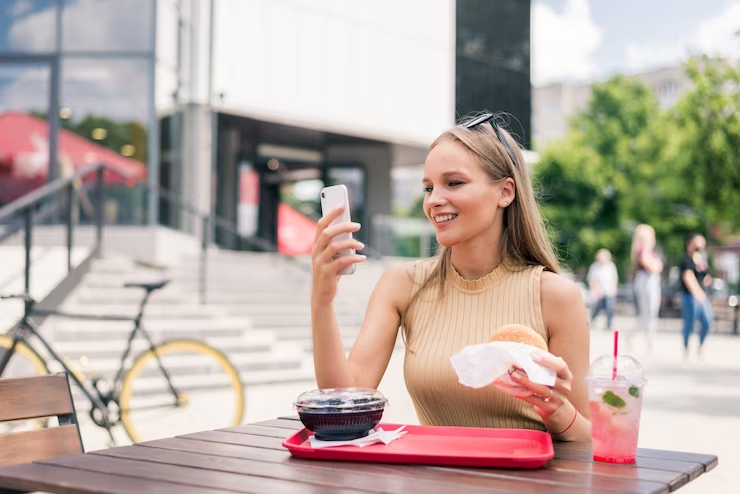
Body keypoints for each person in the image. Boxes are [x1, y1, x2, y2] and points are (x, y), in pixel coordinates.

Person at [311, 113, 591, 442]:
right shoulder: (401, 285)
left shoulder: (556, 296)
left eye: (453, 183)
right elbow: (346, 399)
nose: (434, 200)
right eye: (428, 187)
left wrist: (557, 410)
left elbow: (589, 439)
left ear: (505, 192)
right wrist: (322, 300)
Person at [679, 233, 714, 359]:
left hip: (701, 295)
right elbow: (688, 277)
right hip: (690, 295)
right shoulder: (687, 260)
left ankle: (700, 347)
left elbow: (707, 276)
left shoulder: (701, 260)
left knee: (707, 319)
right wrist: (697, 292)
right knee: (690, 321)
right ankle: (686, 347)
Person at [630, 224, 663, 351]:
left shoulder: (645, 251)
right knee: (648, 314)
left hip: (648, 280)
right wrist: (656, 265)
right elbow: (653, 267)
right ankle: (648, 341)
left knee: (649, 314)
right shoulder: (642, 250)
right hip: (647, 280)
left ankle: (647, 339)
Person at [587, 249, 619, 331]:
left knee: (610, 307)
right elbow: (591, 279)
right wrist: (596, 290)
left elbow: (614, 278)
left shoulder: (611, 266)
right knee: (598, 307)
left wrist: (614, 288)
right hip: (599, 291)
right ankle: (593, 318)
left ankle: (609, 323)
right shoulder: (594, 266)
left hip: (609, 291)